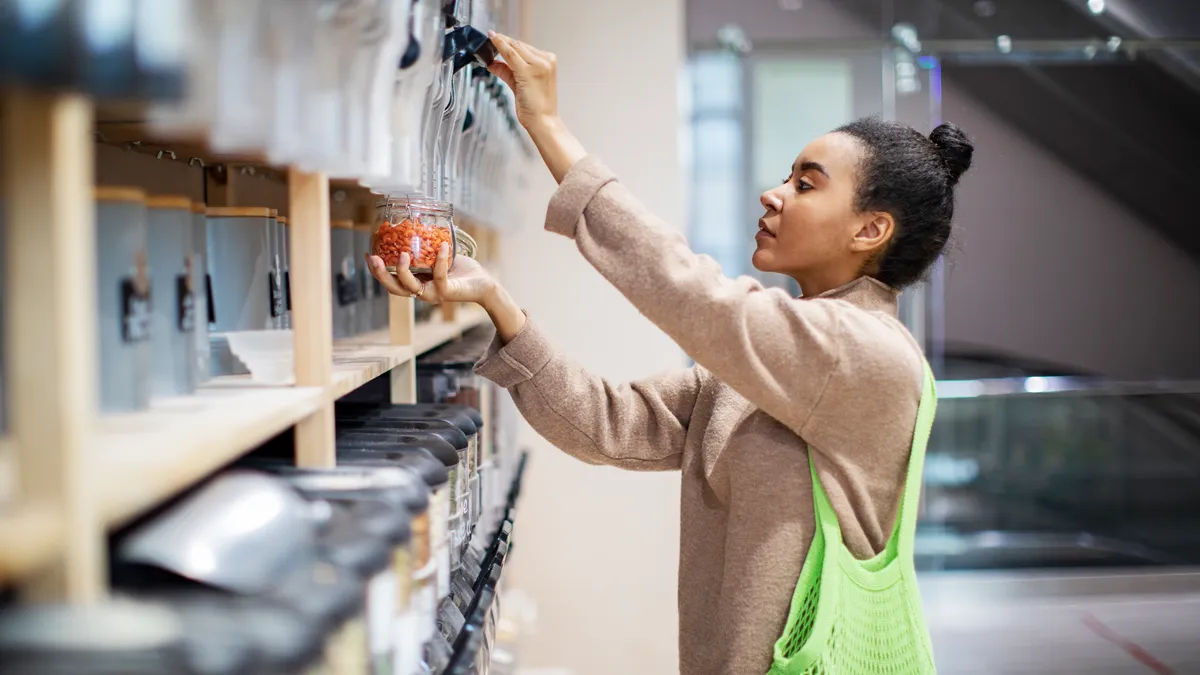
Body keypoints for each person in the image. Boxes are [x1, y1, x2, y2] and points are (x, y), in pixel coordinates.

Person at [367, 32, 973, 675]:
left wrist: (545, 125)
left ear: (870, 229)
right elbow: (608, 425)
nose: (774, 193)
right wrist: (496, 300)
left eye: (805, 184)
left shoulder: (862, 353)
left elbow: (689, 289)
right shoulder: (780, 359)